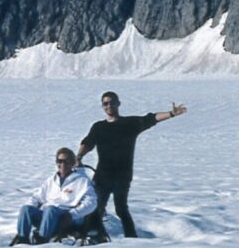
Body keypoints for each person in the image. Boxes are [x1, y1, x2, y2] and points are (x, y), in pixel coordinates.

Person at [76, 91, 187, 238]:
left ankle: (132, 238)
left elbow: (151, 118)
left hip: (122, 175)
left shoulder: (129, 124)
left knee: (121, 209)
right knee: (96, 207)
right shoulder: (98, 127)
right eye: (105, 103)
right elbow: (87, 143)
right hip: (103, 175)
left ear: (118, 103)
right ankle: (96, 237)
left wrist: (171, 114)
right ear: (102, 106)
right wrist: (78, 157)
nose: (109, 106)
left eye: (112, 102)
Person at [11, 148, 97, 245]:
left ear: (73, 163)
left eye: (67, 161)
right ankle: (22, 241)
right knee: (26, 209)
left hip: (67, 218)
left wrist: (72, 214)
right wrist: (32, 206)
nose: (63, 164)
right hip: (47, 216)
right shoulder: (51, 180)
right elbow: (37, 198)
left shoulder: (82, 181)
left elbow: (91, 203)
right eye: (60, 161)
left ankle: (42, 241)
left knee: (50, 209)